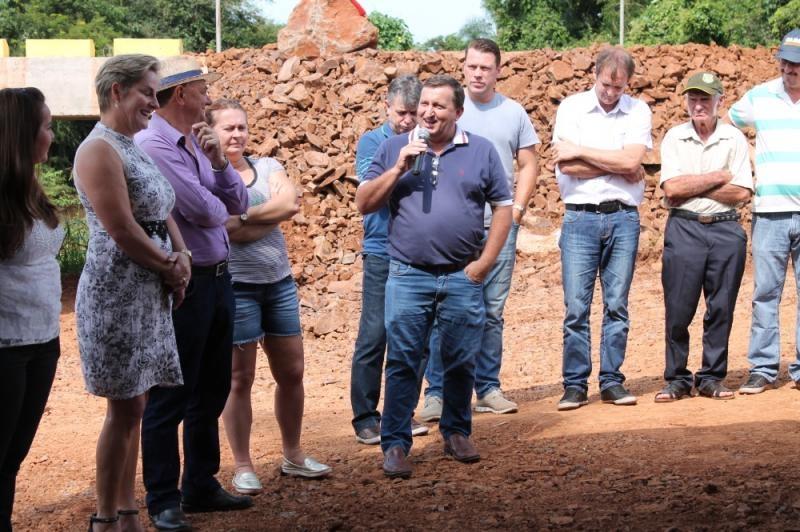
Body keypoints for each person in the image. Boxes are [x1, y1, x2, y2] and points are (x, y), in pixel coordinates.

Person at [356, 75, 512, 479]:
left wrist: (484, 264)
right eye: (424, 104)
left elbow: (503, 207)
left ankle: (457, 432)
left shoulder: (481, 150)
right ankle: (395, 443)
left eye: (438, 106)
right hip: (408, 275)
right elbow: (364, 203)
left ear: (458, 112)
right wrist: (398, 167)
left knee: (460, 359)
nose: (427, 112)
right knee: (403, 361)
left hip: (461, 275)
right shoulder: (393, 147)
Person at [74, 54, 190, 532]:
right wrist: (169, 267)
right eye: (146, 92)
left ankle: (126, 510)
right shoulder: (98, 150)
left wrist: (181, 256)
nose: (154, 102)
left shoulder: (131, 145)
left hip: (146, 290)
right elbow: (121, 228)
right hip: (116, 295)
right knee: (123, 408)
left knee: (136, 406)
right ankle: (105, 517)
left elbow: (161, 210)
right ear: (117, 91)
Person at [135, 57, 250, 531]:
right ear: (181, 94)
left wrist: (220, 162)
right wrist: (222, 201)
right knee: (171, 393)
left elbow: (239, 201)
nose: (208, 98)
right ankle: (163, 498)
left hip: (218, 277)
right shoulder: (153, 144)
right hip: (186, 284)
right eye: (203, 90)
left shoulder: (198, 142)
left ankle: (200, 483)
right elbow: (205, 212)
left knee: (212, 387)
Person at [206, 99, 331, 493]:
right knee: (239, 378)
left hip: (278, 283)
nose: (237, 135)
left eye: (241, 127)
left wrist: (243, 217)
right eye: (228, 128)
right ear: (211, 132)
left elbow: (289, 203)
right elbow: (220, 230)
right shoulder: (205, 176)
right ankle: (243, 465)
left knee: (292, 372)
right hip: (236, 286)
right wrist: (269, 215)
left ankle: (293, 454)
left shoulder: (268, 166)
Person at [421, 38, 540, 420]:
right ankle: (436, 393)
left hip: (499, 227)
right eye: (472, 66)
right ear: (464, 66)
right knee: (443, 310)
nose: (477, 74)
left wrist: (516, 211)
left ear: (498, 71)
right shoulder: (449, 109)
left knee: (491, 311)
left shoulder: (513, 113)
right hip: (456, 231)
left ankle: (487, 388)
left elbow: (529, 164)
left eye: (485, 68)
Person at [552, 46, 652, 411]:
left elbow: (632, 160)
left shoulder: (638, 110)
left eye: (618, 87)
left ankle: (611, 381)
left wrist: (582, 151)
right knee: (576, 308)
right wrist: (620, 164)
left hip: (623, 218)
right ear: (594, 75)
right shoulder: (571, 108)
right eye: (605, 85)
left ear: (628, 83)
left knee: (617, 305)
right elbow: (568, 167)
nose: (610, 93)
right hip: (580, 217)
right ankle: (575, 384)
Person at [655, 72, 753, 402]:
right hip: (684, 228)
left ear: (719, 101)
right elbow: (672, 189)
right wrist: (718, 176)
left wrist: (693, 184)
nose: (698, 105)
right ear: (686, 101)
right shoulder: (674, 137)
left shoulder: (733, 138)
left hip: (726, 229)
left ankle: (712, 377)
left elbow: (741, 192)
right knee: (678, 308)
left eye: (705, 99)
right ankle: (677, 378)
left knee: (721, 307)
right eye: (693, 98)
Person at [350, 75, 430, 444]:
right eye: (401, 113)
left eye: (414, 113)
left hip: (418, 252)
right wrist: (402, 164)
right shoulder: (373, 142)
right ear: (386, 107)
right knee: (374, 335)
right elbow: (371, 192)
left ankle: (401, 412)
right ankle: (366, 417)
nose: (407, 120)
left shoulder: (430, 141)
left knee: (414, 337)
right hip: (382, 249)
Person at [0, 87, 62, 532]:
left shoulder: (32, 192)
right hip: (5, 346)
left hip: (43, 339)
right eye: (46, 127)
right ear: (22, 135)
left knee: (11, 459)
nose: (52, 136)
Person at [730, 29, 800, 395]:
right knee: (766, 294)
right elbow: (729, 124)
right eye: (785, 62)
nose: (790, 69)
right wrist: (748, 163)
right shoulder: (760, 97)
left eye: (797, 64)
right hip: (770, 212)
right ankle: (763, 368)